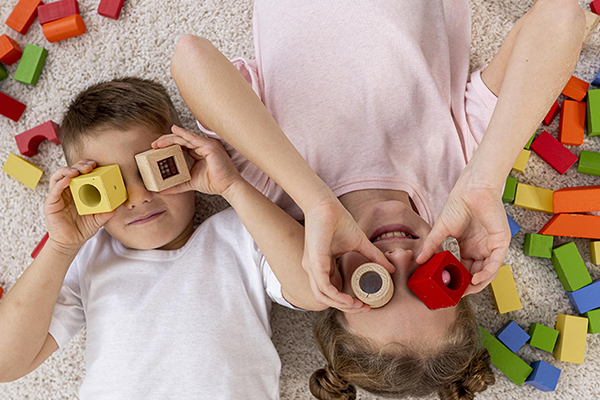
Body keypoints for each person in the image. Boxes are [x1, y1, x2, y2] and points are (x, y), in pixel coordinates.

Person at [166, 0, 588, 398]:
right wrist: (486, 179)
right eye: (429, 281)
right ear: (454, 268)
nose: (402, 257)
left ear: (330, 281)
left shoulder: (275, 178)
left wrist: (316, 200)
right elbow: (561, 13)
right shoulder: (461, 173)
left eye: (374, 283)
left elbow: (191, 55)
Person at [0, 77, 325, 399]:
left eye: (154, 170)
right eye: (112, 185)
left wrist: (232, 186)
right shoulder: (90, 256)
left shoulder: (239, 233)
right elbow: (5, 362)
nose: (138, 197)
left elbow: (315, 290)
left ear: (188, 158)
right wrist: (61, 246)